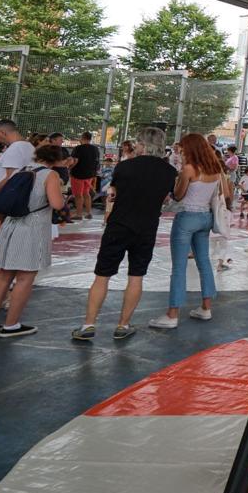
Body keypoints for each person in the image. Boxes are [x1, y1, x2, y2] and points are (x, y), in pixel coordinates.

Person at [71, 128, 178, 341]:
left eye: (138, 143)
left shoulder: (125, 166)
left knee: (102, 276)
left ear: (144, 145)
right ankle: (123, 324)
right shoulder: (170, 171)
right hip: (146, 227)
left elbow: (114, 193)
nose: (135, 146)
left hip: (118, 225)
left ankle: (88, 324)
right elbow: (166, 198)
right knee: (136, 276)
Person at [0, 143, 67, 338]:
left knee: (3, 277)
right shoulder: (50, 175)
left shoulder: (21, 171)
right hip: (32, 228)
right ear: (57, 160)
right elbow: (56, 203)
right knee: (25, 278)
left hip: (10, 225)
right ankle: (11, 325)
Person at [150, 134, 225, 330]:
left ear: (190, 148)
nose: (180, 151)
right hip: (206, 218)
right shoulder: (215, 169)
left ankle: (172, 314)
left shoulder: (189, 169)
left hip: (187, 217)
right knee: (204, 262)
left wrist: (173, 188)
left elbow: (178, 195)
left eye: (182, 148)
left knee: (179, 267)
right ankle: (206, 308)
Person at [69, 132, 99, 222]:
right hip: (90, 175)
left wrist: (69, 168)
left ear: (82, 138)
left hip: (78, 174)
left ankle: (79, 214)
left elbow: (75, 161)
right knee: (86, 193)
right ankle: (89, 213)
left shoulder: (78, 148)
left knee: (78, 195)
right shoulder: (95, 149)